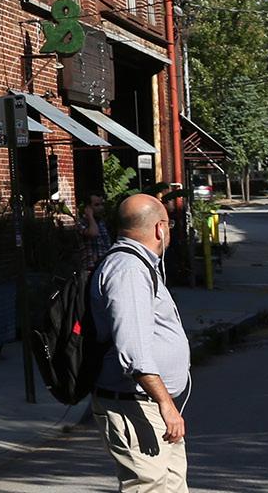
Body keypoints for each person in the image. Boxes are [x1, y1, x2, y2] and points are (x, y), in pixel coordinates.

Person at [91, 193, 191, 493]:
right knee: (148, 486)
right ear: (160, 228)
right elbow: (134, 352)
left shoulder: (139, 264)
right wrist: (166, 404)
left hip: (148, 405)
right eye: (169, 224)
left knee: (172, 486)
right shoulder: (129, 270)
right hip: (134, 404)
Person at [79, 193, 114, 271]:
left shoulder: (102, 223)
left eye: (102, 204)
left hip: (105, 266)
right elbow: (93, 233)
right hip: (91, 268)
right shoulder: (82, 223)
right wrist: (90, 216)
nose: (101, 208)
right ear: (88, 207)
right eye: (97, 205)